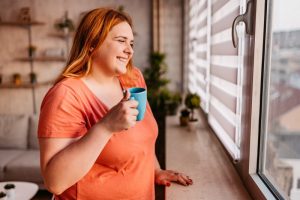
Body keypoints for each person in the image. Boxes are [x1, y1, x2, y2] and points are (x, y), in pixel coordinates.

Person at [38, 7, 193, 200]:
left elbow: (143, 137)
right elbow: (55, 182)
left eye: (131, 43)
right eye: (121, 41)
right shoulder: (66, 95)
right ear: (92, 43)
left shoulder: (132, 78)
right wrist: (104, 127)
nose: (129, 50)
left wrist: (155, 170)